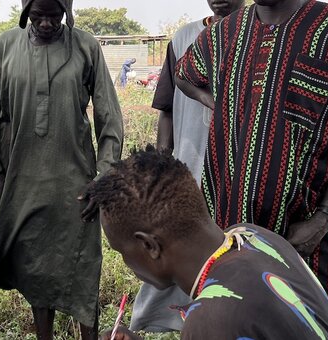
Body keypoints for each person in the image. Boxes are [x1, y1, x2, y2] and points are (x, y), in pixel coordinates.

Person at [176, 0, 328, 335]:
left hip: (302, 234)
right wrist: (219, 102)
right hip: (227, 232)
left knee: (307, 325)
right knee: (231, 322)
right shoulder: (221, 34)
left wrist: (324, 216)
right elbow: (184, 74)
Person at [0, 0, 124, 339]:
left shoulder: (86, 47)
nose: (45, 24)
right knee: (35, 268)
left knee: (83, 267)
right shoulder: (5, 46)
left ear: (66, 12)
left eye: (54, 15)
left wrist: (104, 177)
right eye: (37, 16)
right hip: (22, 183)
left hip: (77, 184)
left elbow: (109, 117)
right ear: (26, 12)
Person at [86, 147, 328, 340]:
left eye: (121, 252)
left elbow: (223, 324)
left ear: (150, 246)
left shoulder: (210, 320)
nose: (127, 263)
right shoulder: (254, 236)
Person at [131, 0, 245, 332]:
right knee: (178, 249)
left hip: (239, 174)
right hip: (190, 166)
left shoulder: (260, 36)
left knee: (231, 256)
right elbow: (167, 107)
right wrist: (162, 164)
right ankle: (183, 323)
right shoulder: (184, 38)